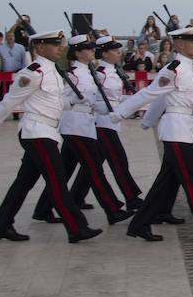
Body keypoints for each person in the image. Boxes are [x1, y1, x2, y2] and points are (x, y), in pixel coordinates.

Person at [0, 30, 102, 243]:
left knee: (23, 182)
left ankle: (1, 225)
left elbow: (53, 103)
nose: (61, 48)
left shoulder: (53, 71)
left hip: (46, 131)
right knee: (57, 181)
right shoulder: (33, 72)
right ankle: (76, 228)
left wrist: (73, 100)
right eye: (55, 44)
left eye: (61, 44)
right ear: (39, 47)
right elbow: (10, 100)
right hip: (36, 133)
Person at [112, 26, 193, 244]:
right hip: (176, 130)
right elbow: (150, 94)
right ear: (180, 45)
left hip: (187, 127)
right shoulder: (174, 69)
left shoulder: (192, 67)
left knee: (165, 182)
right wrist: (119, 113)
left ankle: (139, 224)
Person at [32, 35, 129, 226]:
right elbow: (61, 100)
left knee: (66, 170)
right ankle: (112, 209)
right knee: (94, 169)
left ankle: (43, 208)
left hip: (85, 123)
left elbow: (94, 100)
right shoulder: (73, 74)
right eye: (89, 49)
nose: (93, 51)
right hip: (75, 125)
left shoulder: (88, 72)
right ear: (77, 53)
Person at [90, 35, 142, 210]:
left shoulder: (113, 71)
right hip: (103, 123)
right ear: (104, 54)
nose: (118, 52)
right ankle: (132, 198)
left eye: (118, 49)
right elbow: (93, 100)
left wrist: (135, 100)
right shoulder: (100, 74)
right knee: (119, 161)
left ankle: (75, 197)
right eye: (114, 50)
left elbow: (116, 98)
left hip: (111, 122)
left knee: (91, 167)